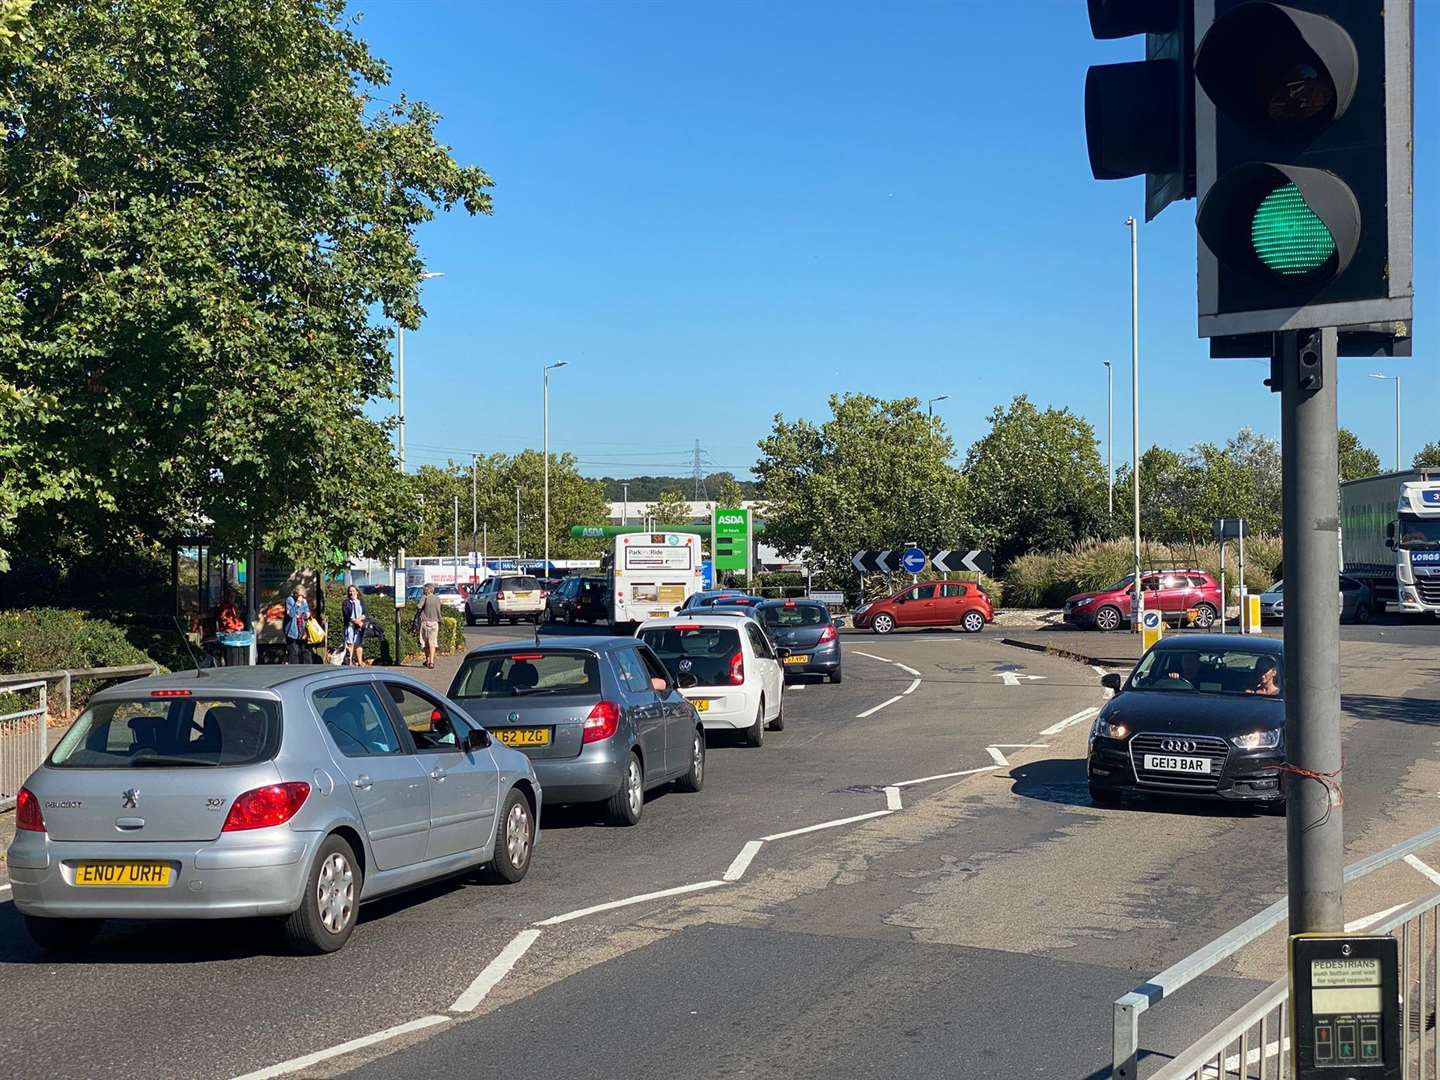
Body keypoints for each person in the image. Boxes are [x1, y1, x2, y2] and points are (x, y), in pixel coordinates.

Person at [413, 582, 443, 669]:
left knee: (425, 643)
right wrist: (440, 620)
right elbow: (438, 610)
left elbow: (419, 607)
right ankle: (432, 661)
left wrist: (423, 600)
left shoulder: (424, 597)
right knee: (432, 643)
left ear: (427, 590)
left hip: (425, 623)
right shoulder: (437, 599)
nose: (423, 590)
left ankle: (427, 659)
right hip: (434, 623)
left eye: (424, 589)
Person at [284, 585, 310, 665]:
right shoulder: (289, 600)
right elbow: (291, 614)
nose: (301, 598)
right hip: (292, 629)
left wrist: (306, 614)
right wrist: (297, 603)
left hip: (302, 628)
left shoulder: (304, 601)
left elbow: (307, 612)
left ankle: (306, 667)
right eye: (299, 595)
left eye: (302, 596)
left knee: (305, 650)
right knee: (294, 651)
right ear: (295, 594)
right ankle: (294, 668)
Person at [342, 585, 367, 666]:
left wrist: (360, 620)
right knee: (350, 643)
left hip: (359, 625)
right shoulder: (346, 602)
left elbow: (365, 613)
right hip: (350, 625)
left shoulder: (361, 602)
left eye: (353, 591)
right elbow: (346, 614)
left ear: (357, 591)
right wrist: (355, 621)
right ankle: (349, 662)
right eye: (350, 591)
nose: (351, 593)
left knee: (358, 643)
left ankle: (360, 661)